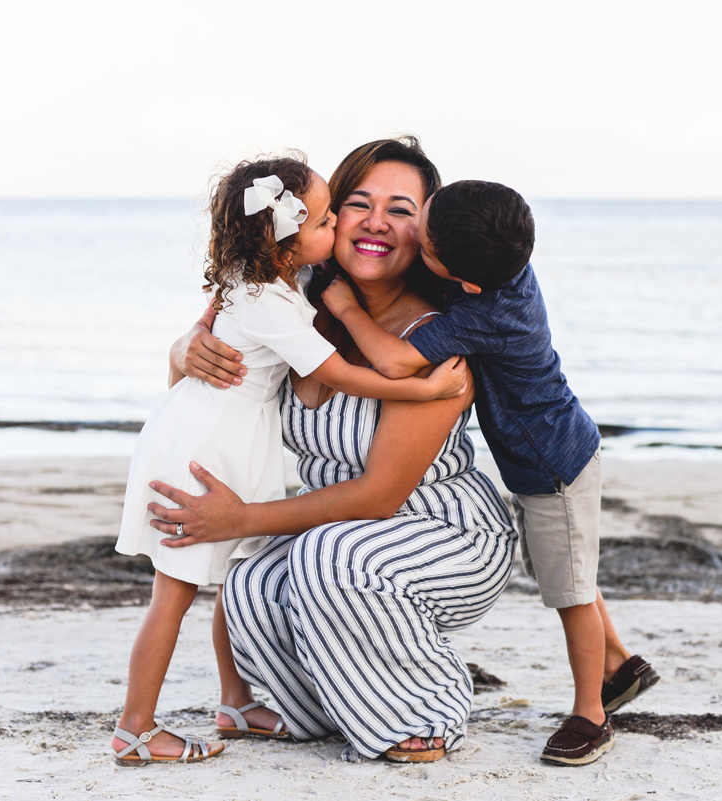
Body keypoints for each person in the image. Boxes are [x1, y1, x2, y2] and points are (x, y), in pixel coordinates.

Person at [145, 137, 515, 763]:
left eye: (401, 210)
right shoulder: (293, 296)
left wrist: (241, 519)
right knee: (252, 582)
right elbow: (202, 356)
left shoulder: (434, 341)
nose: (376, 223)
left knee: (323, 556)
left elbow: (380, 495)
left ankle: (428, 709)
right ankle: (331, 710)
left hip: (446, 530)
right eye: (358, 204)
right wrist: (182, 350)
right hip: (340, 525)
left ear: (428, 232)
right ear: (323, 217)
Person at [319, 178, 660, 765]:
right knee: (565, 562)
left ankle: (592, 713)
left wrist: (346, 307)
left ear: (466, 282)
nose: (412, 233)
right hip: (547, 452)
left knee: (568, 589)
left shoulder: (487, 314)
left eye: (421, 238)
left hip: (554, 463)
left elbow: (396, 359)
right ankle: (620, 662)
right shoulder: (503, 263)